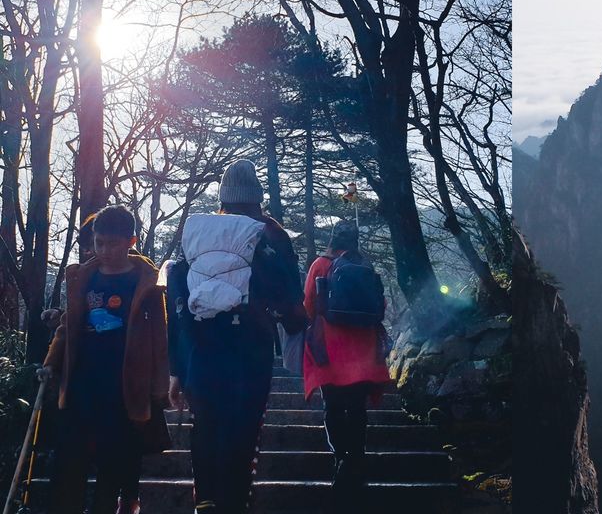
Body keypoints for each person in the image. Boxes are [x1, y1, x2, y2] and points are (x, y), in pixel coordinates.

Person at [167, 159, 305, 514]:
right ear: (257, 196)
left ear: (223, 197)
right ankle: (235, 502)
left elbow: (177, 292)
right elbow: (291, 296)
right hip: (251, 348)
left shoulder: (197, 234)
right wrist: (295, 329)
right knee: (243, 428)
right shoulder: (270, 234)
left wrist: (177, 369)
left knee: (207, 423)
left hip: (201, 348)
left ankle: (206, 499)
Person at [40, 204, 169, 514]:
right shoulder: (83, 276)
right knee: (69, 461)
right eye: (99, 242)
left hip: (124, 388)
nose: (105, 250)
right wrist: (51, 362)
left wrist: (159, 388)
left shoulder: (147, 283)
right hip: (82, 383)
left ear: (131, 242)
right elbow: (68, 325)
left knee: (114, 467)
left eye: (113, 243)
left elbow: (159, 337)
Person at [303, 221, 392, 509]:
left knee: (332, 406)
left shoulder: (320, 265)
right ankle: (356, 457)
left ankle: (341, 456)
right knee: (357, 408)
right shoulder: (365, 266)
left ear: (331, 239)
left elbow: (308, 305)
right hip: (362, 348)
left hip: (330, 348)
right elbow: (380, 306)